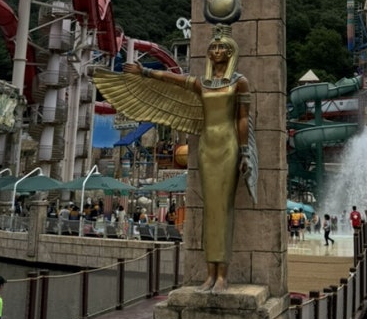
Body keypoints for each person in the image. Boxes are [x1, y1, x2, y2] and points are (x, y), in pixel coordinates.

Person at [93, 22, 256, 293]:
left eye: (221, 47)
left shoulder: (240, 82)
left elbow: (242, 119)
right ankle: (210, 274)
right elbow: (172, 79)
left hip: (229, 146)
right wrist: (145, 71)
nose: (216, 51)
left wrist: (245, 152)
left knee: (223, 208)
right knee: (209, 208)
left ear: (230, 52)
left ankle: (222, 275)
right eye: (213, 47)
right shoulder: (202, 83)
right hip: (206, 147)